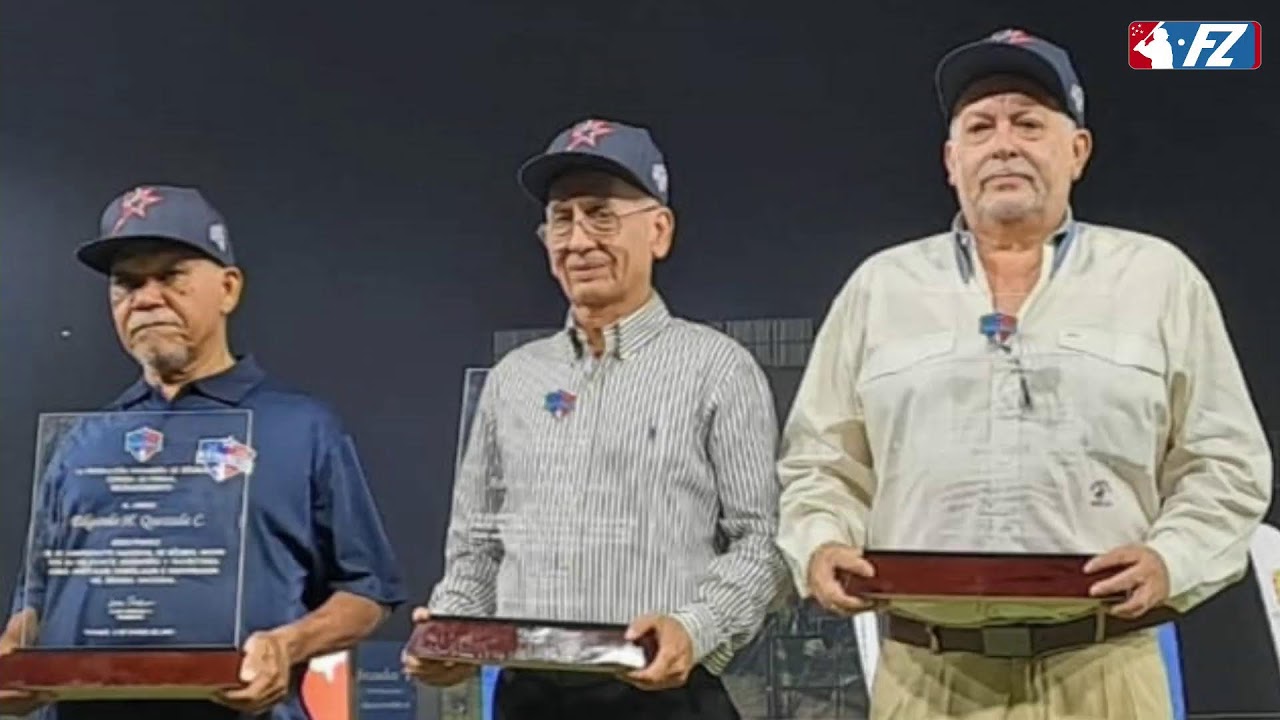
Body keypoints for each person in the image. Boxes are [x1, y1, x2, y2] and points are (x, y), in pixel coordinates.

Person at [775, 28, 1272, 720]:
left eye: (1029, 123)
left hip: (1106, 669)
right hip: (925, 676)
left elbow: (1226, 461)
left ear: (1078, 151)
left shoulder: (1159, 279)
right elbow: (821, 459)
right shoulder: (880, 288)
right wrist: (820, 541)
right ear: (952, 160)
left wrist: (1172, 558)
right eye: (980, 126)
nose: (1004, 142)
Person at [402, 118, 786, 719]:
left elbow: (760, 543)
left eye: (601, 214)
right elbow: (477, 543)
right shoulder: (514, 379)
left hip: (660, 694)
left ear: (659, 231)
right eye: (562, 218)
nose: (578, 239)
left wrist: (696, 627)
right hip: (529, 696)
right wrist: (451, 631)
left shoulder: (717, 368)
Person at [0, 185, 407, 719]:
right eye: (126, 284)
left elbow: (367, 591)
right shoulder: (81, 442)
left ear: (229, 288)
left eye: (171, 276)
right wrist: (13, 658)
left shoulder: (302, 426)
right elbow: (36, 597)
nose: (146, 298)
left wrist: (289, 646)